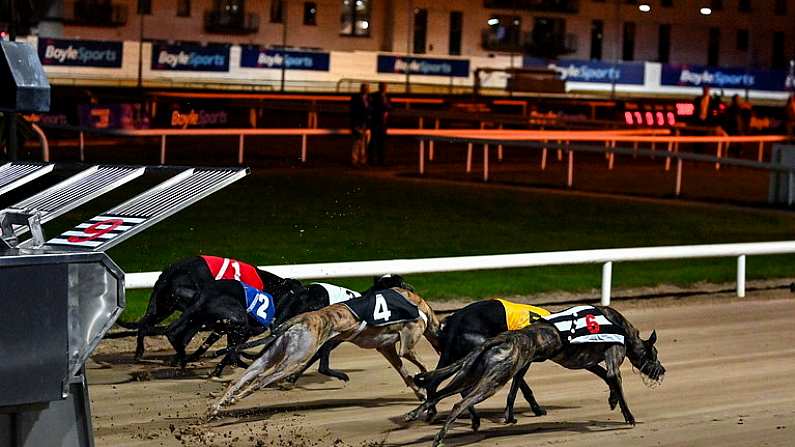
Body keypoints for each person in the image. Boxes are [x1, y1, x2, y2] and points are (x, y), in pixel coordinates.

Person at [368, 82, 391, 166]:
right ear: (379, 87)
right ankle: (371, 160)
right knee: (373, 142)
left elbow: (391, 107)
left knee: (382, 142)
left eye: (385, 86)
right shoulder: (374, 96)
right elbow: (372, 107)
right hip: (376, 122)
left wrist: (387, 108)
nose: (384, 88)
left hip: (383, 123)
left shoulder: (387, 96)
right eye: (382, 86)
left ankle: (381, 160)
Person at [350, 83, 370, 167]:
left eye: (367, 88)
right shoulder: (355, 98)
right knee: (357, 142)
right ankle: (355, 160)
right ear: (361, 89)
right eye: (365, 88)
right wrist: (355, 125)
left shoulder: (369, 98)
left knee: (364, 144)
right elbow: (353, 112)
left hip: (366, 124)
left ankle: (363, 160)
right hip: (358, 123)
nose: (366, 90)